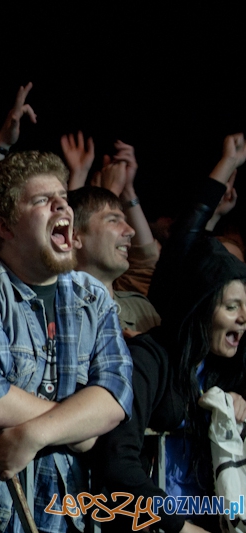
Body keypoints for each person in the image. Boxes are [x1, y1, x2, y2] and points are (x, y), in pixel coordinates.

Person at [0, 150, 133, 533]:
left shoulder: (91, 295)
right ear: (5, 227)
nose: (62, 207)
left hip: (64, 512)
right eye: (42, 200)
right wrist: (78, 426)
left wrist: (35, 433)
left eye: (63, 198)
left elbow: (115, 396)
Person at [95, 133, 246, 533]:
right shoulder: (152, 356)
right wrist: (179, 526)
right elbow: (116, 463)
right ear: (201, 309)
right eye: (232, 307)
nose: (244, 319)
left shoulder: (226, 370)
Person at [69, 185, 161, 335]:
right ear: (74, 236)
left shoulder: (142, 310)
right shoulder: (51, 312)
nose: (131, 231)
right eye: (113, 220)